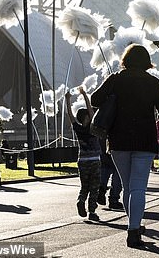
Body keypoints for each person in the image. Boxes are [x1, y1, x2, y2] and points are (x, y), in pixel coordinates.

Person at [91, 44, 159, 249]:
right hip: (145, 140)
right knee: (138, 187)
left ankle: (134, 225)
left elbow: (95, 100)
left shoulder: (116, 79)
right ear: (146, 61)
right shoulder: (152, 82)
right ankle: (133, 229)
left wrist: (112, 91)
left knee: (128, 186)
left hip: (118, 141)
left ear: (126, 60)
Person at [65, 87, 101, 222]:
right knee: (94, 187)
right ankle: (92, 211)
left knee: (84, 186)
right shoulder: (92, 127)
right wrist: (85, 95)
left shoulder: (78, 128)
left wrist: (68, 99)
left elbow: (70, 115)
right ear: (87, 117)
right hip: (94, 160)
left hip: (82, 160)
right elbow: (92, 111)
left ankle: (81, 200)